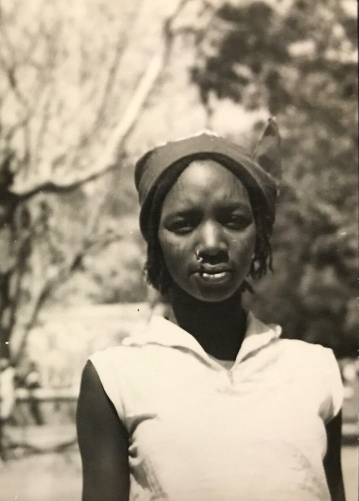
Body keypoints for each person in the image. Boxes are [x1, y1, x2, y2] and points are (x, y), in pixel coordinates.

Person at [77, 121, 345, 501]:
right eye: (184, 224)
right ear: (156, 240)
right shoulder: (114, 379)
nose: (212, 242)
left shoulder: (315, 371)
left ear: (259, 235)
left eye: (233, 220)